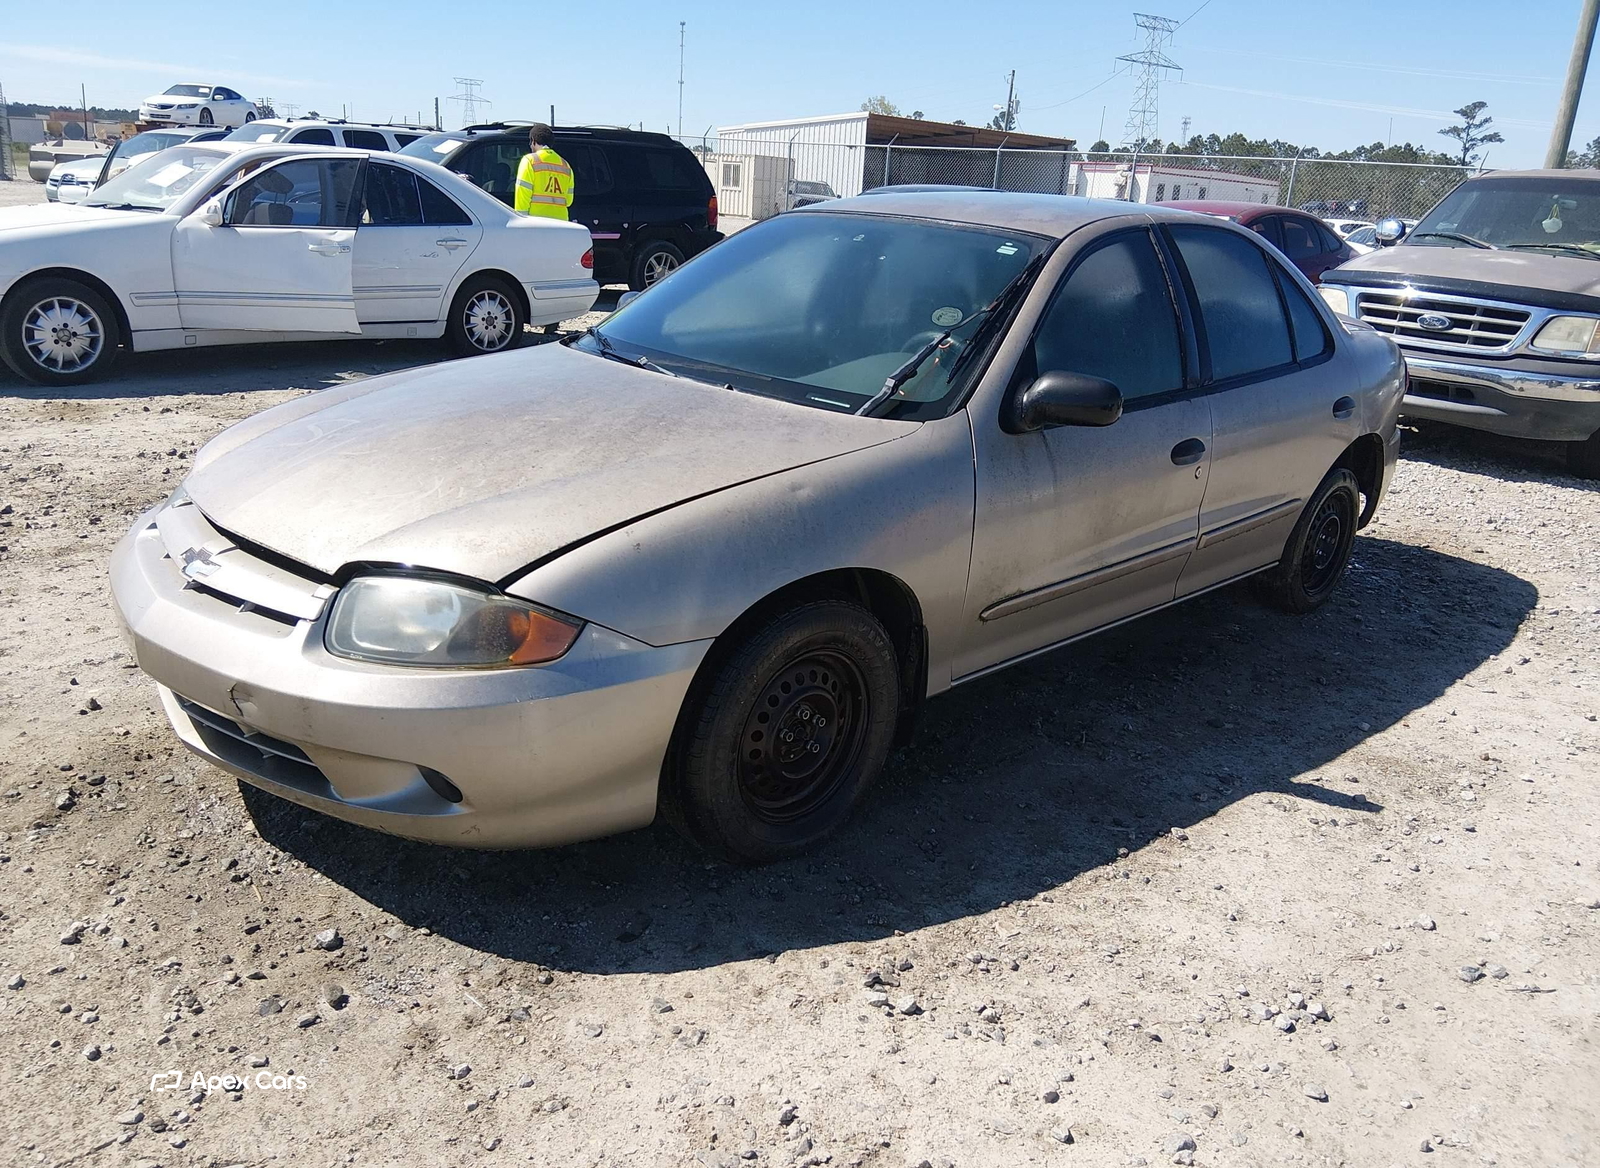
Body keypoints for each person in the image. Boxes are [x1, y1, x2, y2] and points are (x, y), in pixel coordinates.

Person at [514, 124, 575, 220]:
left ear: (533, 140)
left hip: (537, 223)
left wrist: (520, 221)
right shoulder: (566, 165)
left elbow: (522, 197)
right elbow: (569, 201)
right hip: (561, 223)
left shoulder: (529, 161)